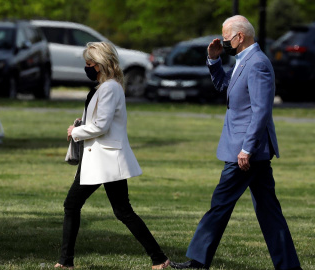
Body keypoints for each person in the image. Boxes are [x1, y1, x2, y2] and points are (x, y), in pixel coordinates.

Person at [170, 15, 302, 270]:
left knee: (220, 204)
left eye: (227, 38)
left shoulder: (258, 64)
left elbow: (261, 111)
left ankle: (197, 262)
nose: (225, 42)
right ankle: (290, 267)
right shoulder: (245, 61)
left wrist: (247, 149)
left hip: (246, 152)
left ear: (240, 37)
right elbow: (224, 85)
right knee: (269, 212)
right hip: (252, 151)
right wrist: (214, 59)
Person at [55, 42, 170, 269]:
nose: (87, 67)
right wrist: (80, 125)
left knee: (78, 205)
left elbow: (101, 125)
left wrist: (75, 131)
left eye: (89, 64)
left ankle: (65, 262)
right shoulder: (107, 87)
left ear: (99, 65)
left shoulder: (109, 88)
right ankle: (159, 259)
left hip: (104, 159)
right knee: (121, 211)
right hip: (99, 158)